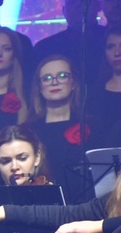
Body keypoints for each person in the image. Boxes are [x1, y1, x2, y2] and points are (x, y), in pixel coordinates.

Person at [27, 55, 95, 201]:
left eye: (62, 76)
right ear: (39, 87)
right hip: (41, 204)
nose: (54, 82)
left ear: (74, 83)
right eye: (47, 78)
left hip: (84, 204)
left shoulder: (92, 125)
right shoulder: (28, 131)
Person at [32, 0, 107, 89]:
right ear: (64, 10)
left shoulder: (112, 41)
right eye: (73, 2)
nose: (79, 6)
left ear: (99, 6)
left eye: (85, 1)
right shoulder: (45, 48)